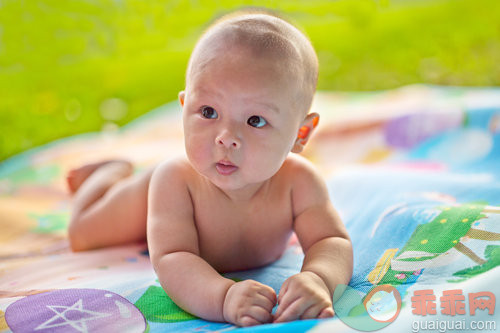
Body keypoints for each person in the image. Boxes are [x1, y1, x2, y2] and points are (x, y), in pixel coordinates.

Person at [66, 9, 353, 327]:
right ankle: (108, 173)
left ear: (301, 134)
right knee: (84, 233)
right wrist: (224, 297)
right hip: (144, 198)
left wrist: (319, 279)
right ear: (184, 107)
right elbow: (174, 258)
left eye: (255, 120)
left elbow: (331, 241)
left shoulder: (299, 181)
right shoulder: (174, 181)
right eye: (208, 111)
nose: (227, 138)